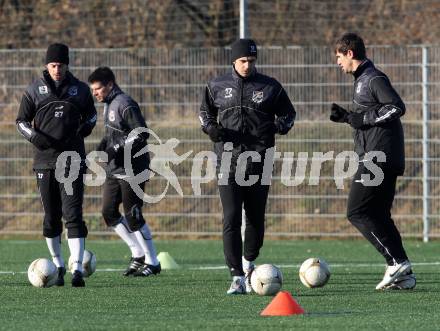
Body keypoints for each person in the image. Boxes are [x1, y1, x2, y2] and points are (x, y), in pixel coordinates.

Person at [199, 39, 296, 294]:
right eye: (243, 61)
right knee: (231, 217)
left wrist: (277, 126)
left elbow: (289, 115)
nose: (247, 65)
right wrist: (211, 128)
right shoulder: (216, 86)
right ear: (234, 60)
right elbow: (205, 114)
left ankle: (249, 261)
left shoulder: (270, 87)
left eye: (251, 61)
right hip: (228, 162)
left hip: (259, 161)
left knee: (255, 219)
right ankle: (236, 276)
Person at [331, 33, 416, 290]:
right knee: (379, 214)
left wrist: (363, 119)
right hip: (380, 155)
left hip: (378, 157)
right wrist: (348, 117)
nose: (337, 63)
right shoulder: (362, 80)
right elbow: (367, 117)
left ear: (349, 53)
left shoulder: (373, 78)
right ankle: (404, 272)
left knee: (357, 211)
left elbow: (397, 107)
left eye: (338, 57)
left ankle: (395, 263)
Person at [16, 43, 97, 287]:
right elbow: (20, 121)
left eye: (61, 65)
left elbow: (92, 115)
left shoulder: (80, 90)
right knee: (51, 218)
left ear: (67, 65)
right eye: (53, 65)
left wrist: (85, 129)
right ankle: (59, 265)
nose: (57, 69)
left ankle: (77, 271)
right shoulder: (34, 90)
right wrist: (34, 137)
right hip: (44, 162)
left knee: (73, 215)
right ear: (46, 65)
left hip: (72, 160)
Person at [88, 67, 161, 277]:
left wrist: (116, 148)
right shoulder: (108, 104)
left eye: (98, 89)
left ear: (110, 85)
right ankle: (137, 254)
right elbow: (112, 135)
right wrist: (99, 150)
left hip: (133, 169)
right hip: (115, 170)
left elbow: (141, 133)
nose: (95, 93)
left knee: (133, 216)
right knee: (109, 212)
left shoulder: (125, 103)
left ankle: (153, 262)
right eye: (93, 90)